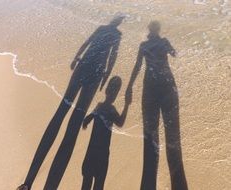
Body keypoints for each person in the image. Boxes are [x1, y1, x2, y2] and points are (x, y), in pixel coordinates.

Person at [17, 16, 124, 190]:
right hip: (95, 74)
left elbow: (88, 42)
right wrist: (105, 75)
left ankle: (27, 183)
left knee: (61, 112)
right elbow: (112, 56)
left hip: (83, 66)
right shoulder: (117, 35)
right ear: (120, 22)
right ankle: (47, 186)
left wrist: (77, 57)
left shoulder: (102, 28)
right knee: (73, 124)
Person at [126, 21, 188, 190]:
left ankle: (149, 182)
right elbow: (175, 54)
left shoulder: (144, 45)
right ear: (159, 30)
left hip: (151, 88)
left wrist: (129, 86)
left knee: (151, 137)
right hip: (168, 85)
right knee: (173, 136)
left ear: (149, 30)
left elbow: (137, 67)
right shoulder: (164, 42)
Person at [81, 76, 131, 190]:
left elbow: (87, 119)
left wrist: (85, 123)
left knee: (86, 183)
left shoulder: (99, 107)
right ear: (116, 95)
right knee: (99, 184)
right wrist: (127, 105)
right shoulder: (111, 111)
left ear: (106, 90)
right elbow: (120, 123)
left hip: (91, 152)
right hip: (102, 155)